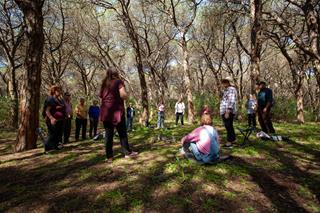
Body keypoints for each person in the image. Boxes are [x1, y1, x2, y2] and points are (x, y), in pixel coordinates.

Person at [99, 67, 138, 162]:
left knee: (108, 135)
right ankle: (127, 153)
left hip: (106, 112)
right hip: (116, 111)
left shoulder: (104, 84)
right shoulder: (118, 82)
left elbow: (101, 96)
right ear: (116, 73)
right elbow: (123, 95)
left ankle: (109, 157)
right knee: (122, 133)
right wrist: (127, 95)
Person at [44, 85, 65, 151]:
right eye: (58, 91)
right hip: (52, 120)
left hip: (60, 120)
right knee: (52, 134)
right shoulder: (50, 99)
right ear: (54, 91)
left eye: (60, 90)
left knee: (58, 134)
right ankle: (47, 149)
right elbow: (47, 110)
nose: (60, 92)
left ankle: (55, 147)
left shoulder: (59, 99)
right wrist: (51, 118)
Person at [219, 76, 237, 148]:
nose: (224, 83)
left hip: (228, 111)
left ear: (229, 82)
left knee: (228, 126)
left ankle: (229, 142)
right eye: (223, 82)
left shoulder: (231, 89)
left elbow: (231, 100)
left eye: (225, 81)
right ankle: (233, 140)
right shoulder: (226, 90)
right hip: (225, 110)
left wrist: (228, 111)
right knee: (229, 126)